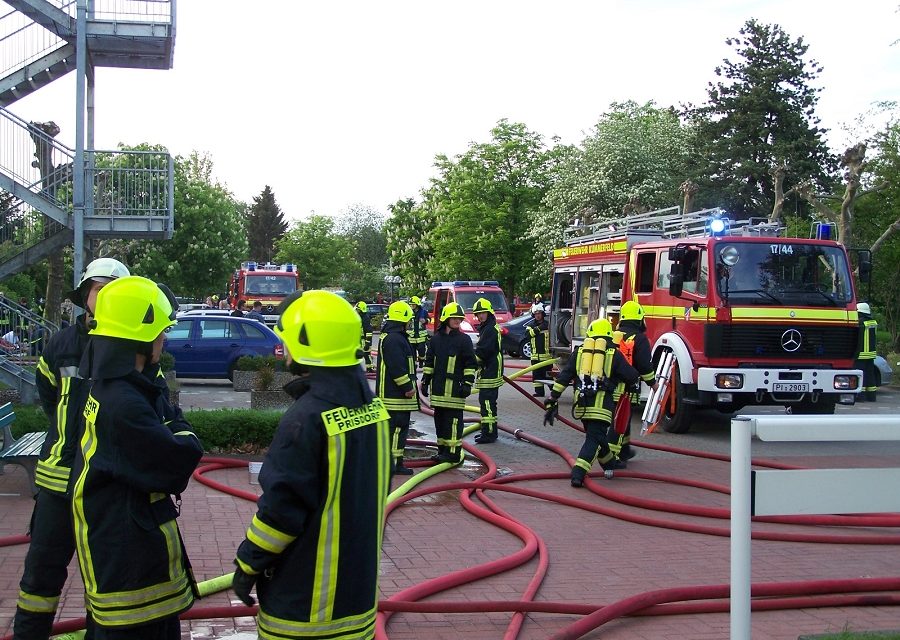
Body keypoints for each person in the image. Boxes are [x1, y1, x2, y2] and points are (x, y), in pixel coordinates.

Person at [231, 290, 391, 639]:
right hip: (358, 604)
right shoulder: (375, 411)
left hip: (304, 609)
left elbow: (281, 512)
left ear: (305, 343)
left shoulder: (305, 419)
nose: (283, 347)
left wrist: (247, 564)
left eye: (287, 339)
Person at [71, 275, 203, 639]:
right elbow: (180, 460)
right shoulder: (126, 404)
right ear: (140, 337)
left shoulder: (112, 387)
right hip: (133, 574)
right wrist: (179, 425)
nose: (164, 338)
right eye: (161, 332)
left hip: (115, 549)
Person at [13, 258, 130, 640]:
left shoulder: (132, 344)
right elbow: (49, 397)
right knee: (40, 578)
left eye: (113, 290)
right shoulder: (61, 345)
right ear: (85, 294)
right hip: (58, 485)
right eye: (98, 289)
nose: (103, 297)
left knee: (109, 580)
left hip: (105, 486)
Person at [543, 318, 639, 487]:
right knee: (593, 439)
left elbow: (564, 377)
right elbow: (631, 376)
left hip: (582, 406)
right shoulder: (613, 353)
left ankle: (609, 463)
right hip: (602, 408)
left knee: (597, 436)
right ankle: (578, 472)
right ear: (609, 335)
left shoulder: (579, 352)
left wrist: (552, 398)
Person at [420, 302, 476, 464]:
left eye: (459, 318)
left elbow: (470, 364)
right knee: (440, 421)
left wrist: (467, 383)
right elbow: (429, 362)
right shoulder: (436, 340)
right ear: (446, 319)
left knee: (453, 422)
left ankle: (453, 453)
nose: (457, 321)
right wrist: (425, 381)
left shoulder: (464, 340)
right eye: (454, 318)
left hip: (455, 390)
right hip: (438, 389)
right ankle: (442, 450)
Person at [608, 301, 658, 463]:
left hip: (609, 385)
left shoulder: (614, 335)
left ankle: (624, 450)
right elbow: (644, 366)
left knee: (624, 419)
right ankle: (612, 458)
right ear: (639, 319)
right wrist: (653, 384)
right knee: (620, 421)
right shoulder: (640, 339)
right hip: (626, 388)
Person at [376, 300, 419, 475]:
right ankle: (394, 464)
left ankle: (393, 463)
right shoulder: (394, 339)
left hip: (393, 395)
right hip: (396, 397)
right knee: (397, 430)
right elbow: (397, 367)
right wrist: (407, 387)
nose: (409, 323)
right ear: (403, 320)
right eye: (408, 320)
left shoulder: (392, 337)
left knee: (395, 430)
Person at [473, 297, 503, 444]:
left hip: (490, 371)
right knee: (487, 402)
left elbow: (483, 352)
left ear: (489, 313)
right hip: (490, 369)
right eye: (478, 314)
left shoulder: (489, 329)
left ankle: (489, 433)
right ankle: (488, 431)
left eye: (482, 313)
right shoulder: (488, 327)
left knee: (487, 403)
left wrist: (469, 363)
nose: (480, 316)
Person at [526, 303, 553, 397]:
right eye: (536, 313)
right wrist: (538, 329)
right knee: (537, 375)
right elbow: (528, 335)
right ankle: (539, 392)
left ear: (542, 314)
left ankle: (554, 392)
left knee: (548, 375)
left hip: (547, 357)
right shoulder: (530, 325)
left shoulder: (548, 325)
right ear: (534, 315)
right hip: (535, 356)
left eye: (539, 313)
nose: (537, 315)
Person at [855, 302, 878, 402]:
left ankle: (861, 396)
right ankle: (872, 396)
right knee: (870, 375)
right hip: (871, 354)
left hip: (861, 354)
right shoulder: (873, 322)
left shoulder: (860, 323)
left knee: (861, 375)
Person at [407, 295, 427, 368]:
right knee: (412, 352)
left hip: (420, 337)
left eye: (413, 304)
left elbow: (430, 320)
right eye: (411, 304)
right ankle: (414, 364)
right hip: (411, 337)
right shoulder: (409, 312)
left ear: (417, 304)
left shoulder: (423, 312)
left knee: (422, 351)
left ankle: (421, 361)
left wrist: (425, 321)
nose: (412, 306)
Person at [356, 300, 375, 372]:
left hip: (365, 340)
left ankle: (370, 368)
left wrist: (367, 342)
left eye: (358, 309)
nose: (357, 311)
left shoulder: (365, 318)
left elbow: (369, 331)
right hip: (360, 340)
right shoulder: (360, 317)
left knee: (367, 354)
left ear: (361, 310)